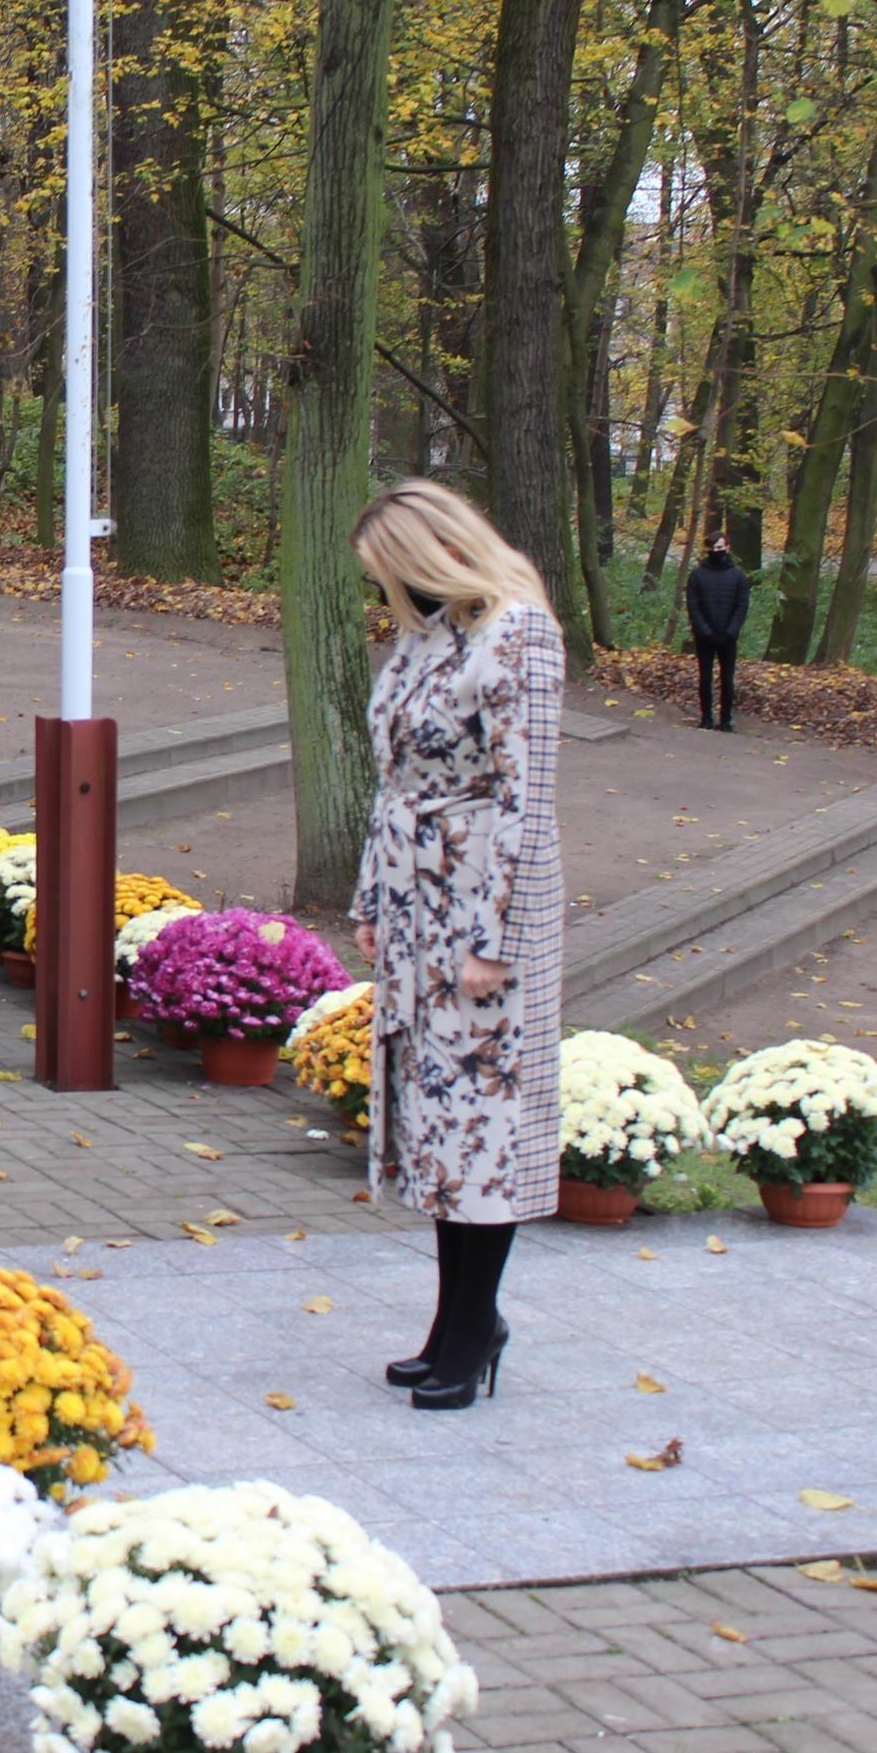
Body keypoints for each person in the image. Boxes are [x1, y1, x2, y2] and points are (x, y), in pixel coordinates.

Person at [349, 478, 565, 1412]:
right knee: (437, 1127)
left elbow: (529, 798)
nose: (390, 593)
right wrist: (369, 895)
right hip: (413, 907)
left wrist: (498, 940)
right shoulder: (425, 637)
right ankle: (454, 1322)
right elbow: (394, 778)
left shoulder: (517, 634)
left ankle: (475, 1326)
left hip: (481, 905)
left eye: (393, 571)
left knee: (484, 1124)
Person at [685, 532, 749, 732]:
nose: (716, 552)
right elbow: (693, 606)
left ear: (728, 548)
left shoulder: (738, 576)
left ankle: (726, 719)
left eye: (720, 548)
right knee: (705, 677)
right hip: (705, 636)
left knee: (727, 678)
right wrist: (704, 630)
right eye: (713, 549)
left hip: (728, 636)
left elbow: (742, 606)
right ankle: (706, 717)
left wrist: (731, 631)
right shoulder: (697, 575)